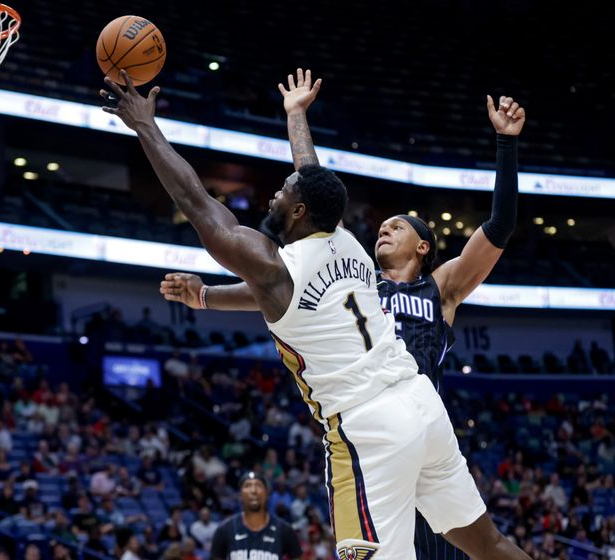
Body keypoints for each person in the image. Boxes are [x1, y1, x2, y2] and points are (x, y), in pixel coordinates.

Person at [101, 69, 529, 560]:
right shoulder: (348, 245)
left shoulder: (273, 267)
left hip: (368, 428)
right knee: (489, 545)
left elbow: (195, 202)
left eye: (282, 192)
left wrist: (145, 127)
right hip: (421, 403)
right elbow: (309, 172)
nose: (274, 194)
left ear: (300, 211)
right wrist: (296, 115)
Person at [210, 472, 301, 560]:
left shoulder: (284, 530)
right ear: (240, 495)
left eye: (258, 485)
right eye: (247, 486)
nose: (253, 491)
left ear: (267, 494)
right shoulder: (225, 529)